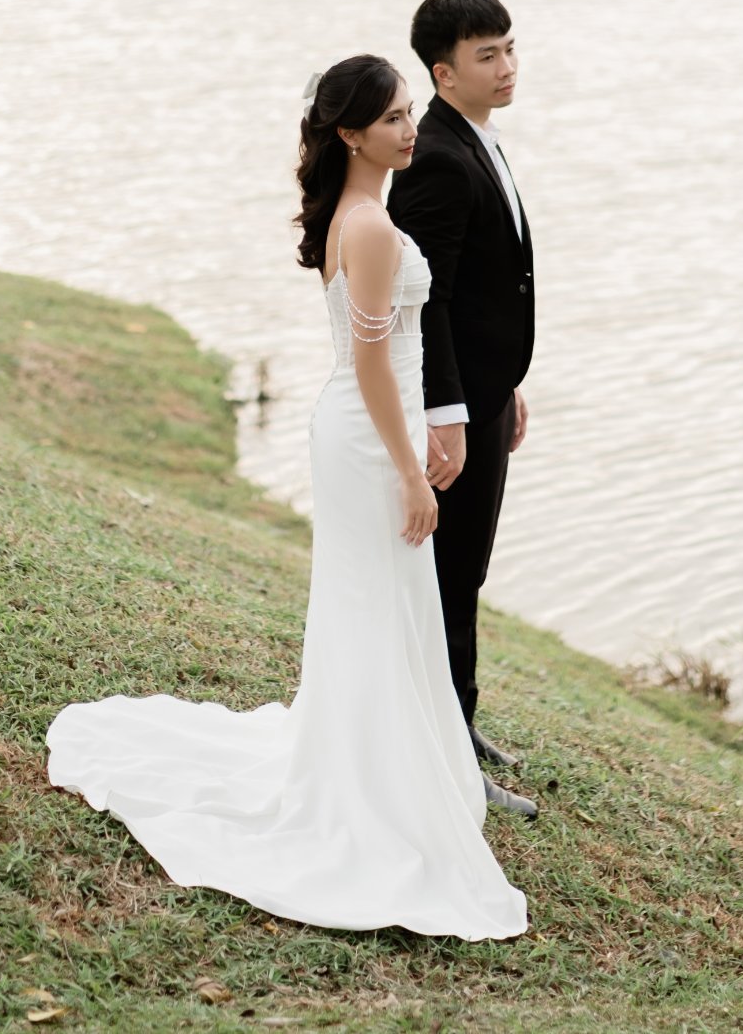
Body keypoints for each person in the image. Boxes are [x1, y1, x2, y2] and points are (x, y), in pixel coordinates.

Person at [45, 55, 527, 940]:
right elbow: (372, 363)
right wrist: (411, 469)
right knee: (374, 602)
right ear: (351, 134)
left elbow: (388, 355)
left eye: (409, 112)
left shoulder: (360, 215)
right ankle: (367, 786)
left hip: (370, 429)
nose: (410, 129)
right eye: (392, 118)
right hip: (367, 440)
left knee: (380, 603)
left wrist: (423, 429)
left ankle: (384, 763)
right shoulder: (369, 228)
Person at [387, 0, 537, 819]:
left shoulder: (477, 137)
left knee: (467, 569)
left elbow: (489, 287)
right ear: (444, 73)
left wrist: (504, 382)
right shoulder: (438, 159)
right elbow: (426, 300)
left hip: (484, 394)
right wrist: (447, 412)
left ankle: (457, 726)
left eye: (509, 48)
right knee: (448, 574)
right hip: (453, 412)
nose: (507, 66)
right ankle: (446, 751)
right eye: (487, 55)